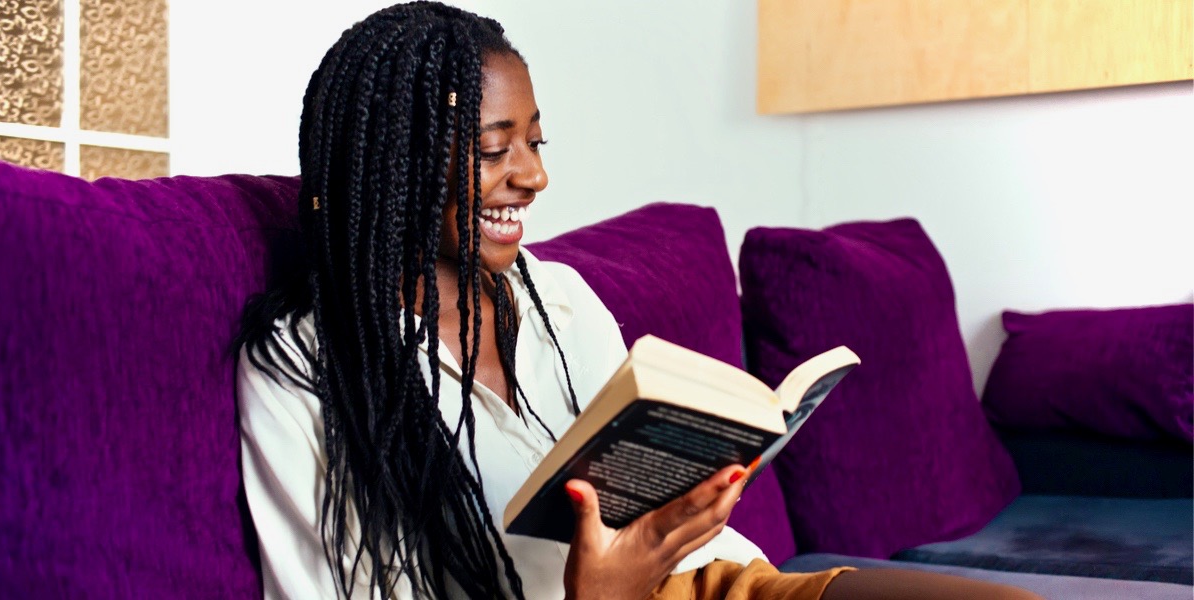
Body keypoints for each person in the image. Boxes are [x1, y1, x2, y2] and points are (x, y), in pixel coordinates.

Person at [234, 3, 1042, 599]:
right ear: (392, 167)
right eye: (493, 150)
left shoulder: (557, 296)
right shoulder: (307, 365)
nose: (535, 178)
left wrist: (696, 490)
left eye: (536, 142)